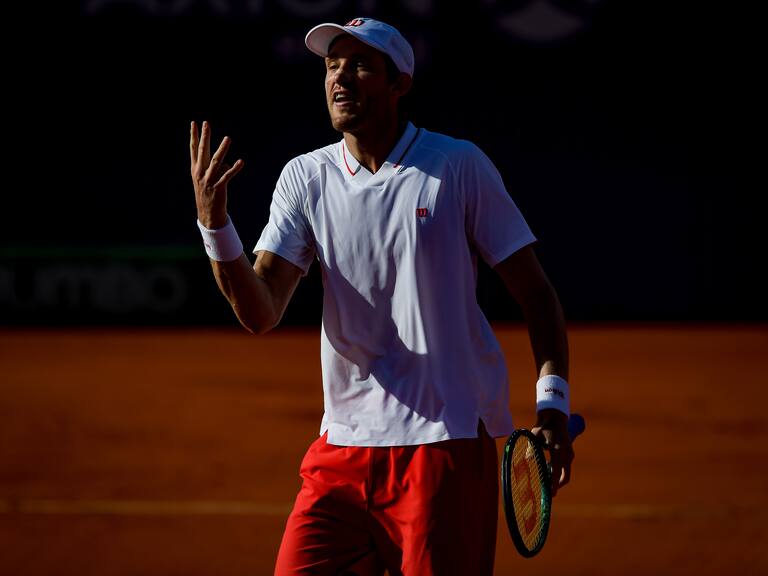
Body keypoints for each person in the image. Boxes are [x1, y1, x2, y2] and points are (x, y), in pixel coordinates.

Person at [190, 17, 573, 576]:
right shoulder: (305, 177)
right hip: (339, 451)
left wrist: (553, 407)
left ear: (399, 85)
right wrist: (215, 226)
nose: (340, 77)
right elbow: (260, 311)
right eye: (331, 66)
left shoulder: (457, 165)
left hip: (443, 446)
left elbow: (536, 294)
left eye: (360, 65)